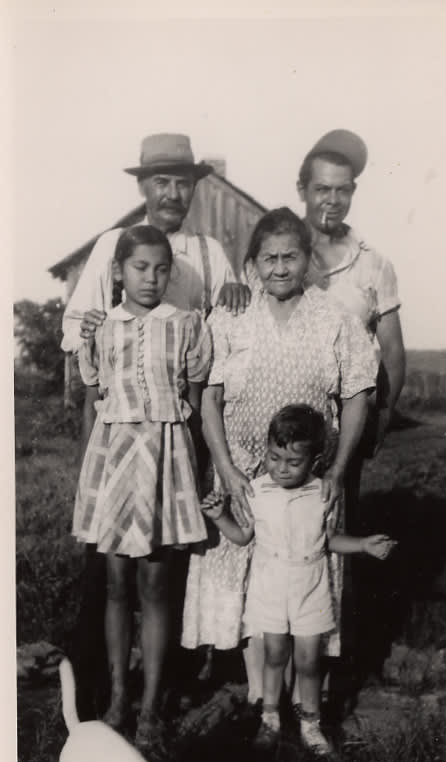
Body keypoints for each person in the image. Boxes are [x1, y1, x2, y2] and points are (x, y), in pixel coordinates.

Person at [63, 133, 248, 717]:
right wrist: (90, 327)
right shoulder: (111, 246)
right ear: (142, 187)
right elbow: (80, 332)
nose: (171, 193)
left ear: (194, 186)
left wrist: (239, 293)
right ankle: (105, 693)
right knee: (110, 581)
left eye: (181, 182)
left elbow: (218, 335)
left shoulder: (208, 250)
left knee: (161, 578)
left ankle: (159, 695)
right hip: (116, 442)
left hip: (172, 439)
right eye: (160, 182)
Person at [181, 207, 378, 709]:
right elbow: (210, 397)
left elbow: (358, 394)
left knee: (301, 580)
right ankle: (259, 701)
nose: (280, 268)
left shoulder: (335, 319)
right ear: (253, 262)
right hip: (243, 472)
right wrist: (225, 468)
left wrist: (335, 470)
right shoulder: (231, 315)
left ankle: (298, 702)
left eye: (291, 256)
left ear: (308, 259)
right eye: (268, 258)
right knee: (251, 586)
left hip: (307, 479)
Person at [73, 225, 211, 751]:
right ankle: (116, 699)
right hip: (112, 467)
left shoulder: (187, 326)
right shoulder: (100, 330)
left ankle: (152, 705)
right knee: (115, 588)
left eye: (160, 269)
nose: (150, 278)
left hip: (164, 464)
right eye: (139, 268)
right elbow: (92, 402)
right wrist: (86, 479)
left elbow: (195, 406)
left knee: (155, 588)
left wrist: (192, 477)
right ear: (118, 272)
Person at [200, 405, 396, 755]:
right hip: (271, 584)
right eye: (275, 458)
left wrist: (364, 545)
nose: (282, 469)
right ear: (267, 450)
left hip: (311, 586)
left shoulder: (323, 493)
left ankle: (311, 723)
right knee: (274, 655)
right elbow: (243, 536)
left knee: (308, 660)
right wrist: (219, 517)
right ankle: (270, 719)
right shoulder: (256, 491)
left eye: (293, 463)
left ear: (315, 460)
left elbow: (330, 539)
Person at [297, 128, 406, 529]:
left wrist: (383, 414)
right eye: (322, 189)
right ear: (302, 189)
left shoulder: (374, 263)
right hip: (282, 410)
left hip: (347, 418)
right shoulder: (279, 252)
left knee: (339, 522)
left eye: (342, 191)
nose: (332, 200)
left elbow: (393, 352)